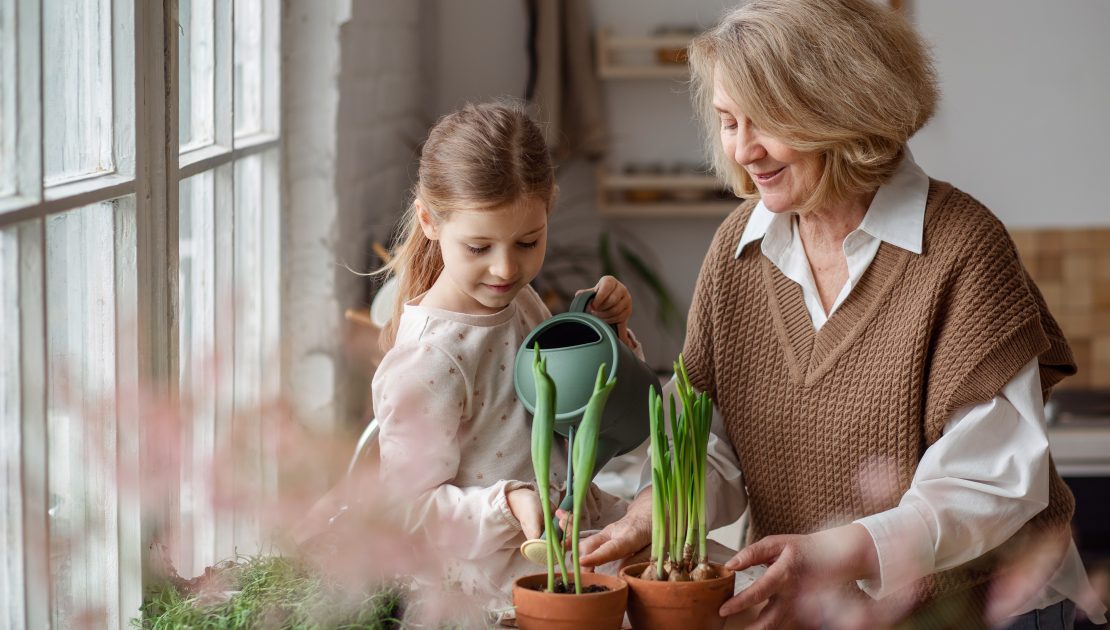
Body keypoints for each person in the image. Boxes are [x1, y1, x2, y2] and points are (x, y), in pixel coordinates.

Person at [577, 1, 1109, 628]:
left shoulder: (960, 246)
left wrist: (833, 557)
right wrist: (653, 512)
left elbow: (991, 486)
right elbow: (711, 443)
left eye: (765, 122)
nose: (744, 150)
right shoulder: (738, 250)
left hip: (994, 612)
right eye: (727, 122)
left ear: (842, 108)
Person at [369, 102, 636, 615]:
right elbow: (405, 511)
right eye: (478, 247)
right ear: (429, 220)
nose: (506, 267)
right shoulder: (429, 358)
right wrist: (508, 504)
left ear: (548, 209)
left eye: (528, 241)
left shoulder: (519, 300)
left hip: (562, 544)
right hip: (492, 586)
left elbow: (568, 410)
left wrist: (603, 332)